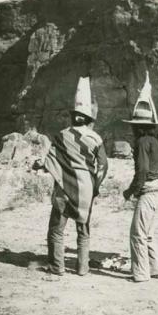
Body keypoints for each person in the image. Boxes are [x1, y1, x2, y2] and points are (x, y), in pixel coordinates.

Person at [33, 77, 108, 276]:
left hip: (64, 188)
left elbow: (51, 160)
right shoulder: (96, 139)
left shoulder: (62, 135)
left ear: (73, 116)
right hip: (86, 189)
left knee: (56, 230)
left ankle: (57, 266)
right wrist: (95, 186)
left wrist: (41, 165)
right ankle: (83, 268)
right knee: (83, 231)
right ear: (89, 119)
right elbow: (103, 166)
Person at [122, 72, 158, 283]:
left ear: (139, 126)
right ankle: (155, 269)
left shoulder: (142, 143)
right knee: (148, 233)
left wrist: (131, 191)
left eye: (133, 125)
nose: (131, 128)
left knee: (137, 234)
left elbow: (141, 171)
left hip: (149, 193)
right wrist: (156, 180)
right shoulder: (156, 143)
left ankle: (141, 274)